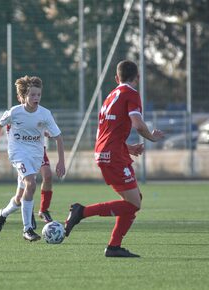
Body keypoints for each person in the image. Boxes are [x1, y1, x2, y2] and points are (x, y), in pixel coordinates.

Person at [64, 60, 164, 258]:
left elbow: (107, 132)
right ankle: (81, 212)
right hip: (114, 156)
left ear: (117, 78)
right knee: (134, 204)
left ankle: (114, 247)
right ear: (138, 77)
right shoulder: (131, 94)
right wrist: (151, 137)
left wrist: (127, 147)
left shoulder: (110, 96)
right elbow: (137, 124)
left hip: (107, 152)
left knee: (134, 200)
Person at [0, 75, 65, 242]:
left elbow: (58, 137)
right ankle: (27, 229)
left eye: (38, 94)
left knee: (19, 198)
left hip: (36, 156)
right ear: (23, 97)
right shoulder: (15, 112)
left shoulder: (45, 114)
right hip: (18, 153)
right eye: (32, 95)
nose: (36, 98)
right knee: (31, 184)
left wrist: (61, 161)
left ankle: (3, 214)